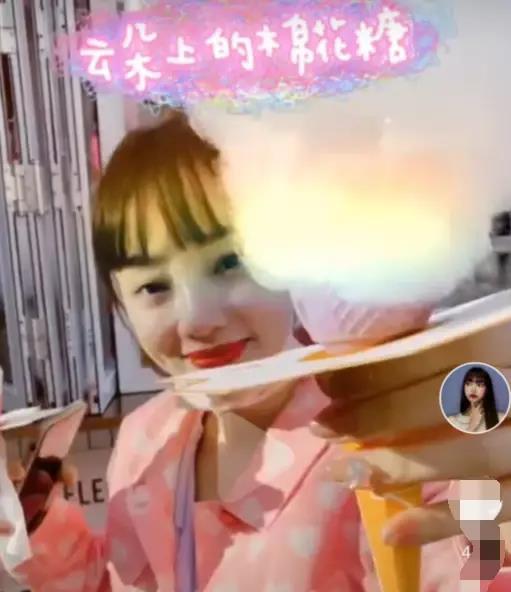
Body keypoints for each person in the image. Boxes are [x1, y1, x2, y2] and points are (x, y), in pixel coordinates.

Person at [0, 111, 509, 591]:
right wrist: (37, 521)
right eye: (153, 286)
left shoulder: (385, 437)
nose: (197, 318)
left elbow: (474, 569)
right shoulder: (143, 441)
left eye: (230, 263)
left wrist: (491, 525)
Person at [447, 367, 506, 433]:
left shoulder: (501, 418)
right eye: (468, 384)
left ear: (487, 389)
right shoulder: (452, 421)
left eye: (479, 385)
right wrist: (472, 426)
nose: (473, 390)